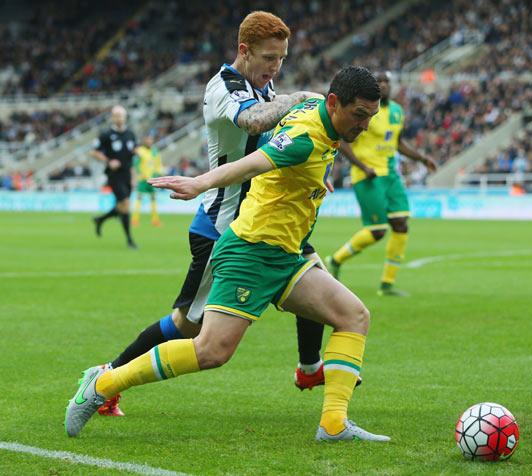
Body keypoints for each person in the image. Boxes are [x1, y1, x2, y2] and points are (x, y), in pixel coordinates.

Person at [65, 66, 389, 442]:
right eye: (359, 115)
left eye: (371, 116)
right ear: (335, 103)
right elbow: (251, 163)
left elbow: (300, 121)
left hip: (285, 254)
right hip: (250, 251)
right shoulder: (304, 138)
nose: (364, 126)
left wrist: (317, 176)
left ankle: (333, 425)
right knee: (211, 350)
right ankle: (102, 383)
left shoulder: (318, 108)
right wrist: (199, 182)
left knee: (354, 316)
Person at [92, 11, 329, 418]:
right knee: (188, 325)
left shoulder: (262, 81)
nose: (276, 67)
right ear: (244, 50)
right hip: (223, 227)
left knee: (320, 282)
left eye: (282, 59)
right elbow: (254, 118)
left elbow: (276, 134)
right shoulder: (223, 88)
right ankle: (106, 379)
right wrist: (298, 98)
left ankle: (309, 369)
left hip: (266, 219)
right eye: (270, 58)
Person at [325, 72, 437, 296]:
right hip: (368, 175)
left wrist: (421, 158)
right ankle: (335, 260)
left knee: (401, 224)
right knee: (377, 231)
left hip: (390, 175)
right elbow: (343, 141)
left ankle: (387, 284)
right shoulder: (363, 110)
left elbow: (397, 143)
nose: (384, 86)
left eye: (387, 82)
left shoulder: (397, 111)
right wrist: (362, 167)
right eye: (380, 82)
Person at [90, 105, 138, 249]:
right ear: (112, 117)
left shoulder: (131, 134)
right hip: (114, 175)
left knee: (122, 207)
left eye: (121, 115)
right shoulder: (106, 134)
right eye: (116, 115)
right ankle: (130, 240)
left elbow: (132, 157)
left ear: (125, 117)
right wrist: (108, 161)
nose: (118, 118)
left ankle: (100, 219)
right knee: (125, 204)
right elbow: (93, 152)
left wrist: (134, 175)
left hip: (127, 174)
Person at [131, 133, 163, 227]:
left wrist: (159, 173)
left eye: (151, 139)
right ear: (144, 141)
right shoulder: (140, 151)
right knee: (139, 198)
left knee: (153, 198)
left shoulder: (155, 151)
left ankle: (155, 220)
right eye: (147, 139)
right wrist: (141, 174)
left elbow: (157, 164)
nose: (149, 141)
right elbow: (136, 164)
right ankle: (135, 220)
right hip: (143, 179)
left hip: (153, 179)